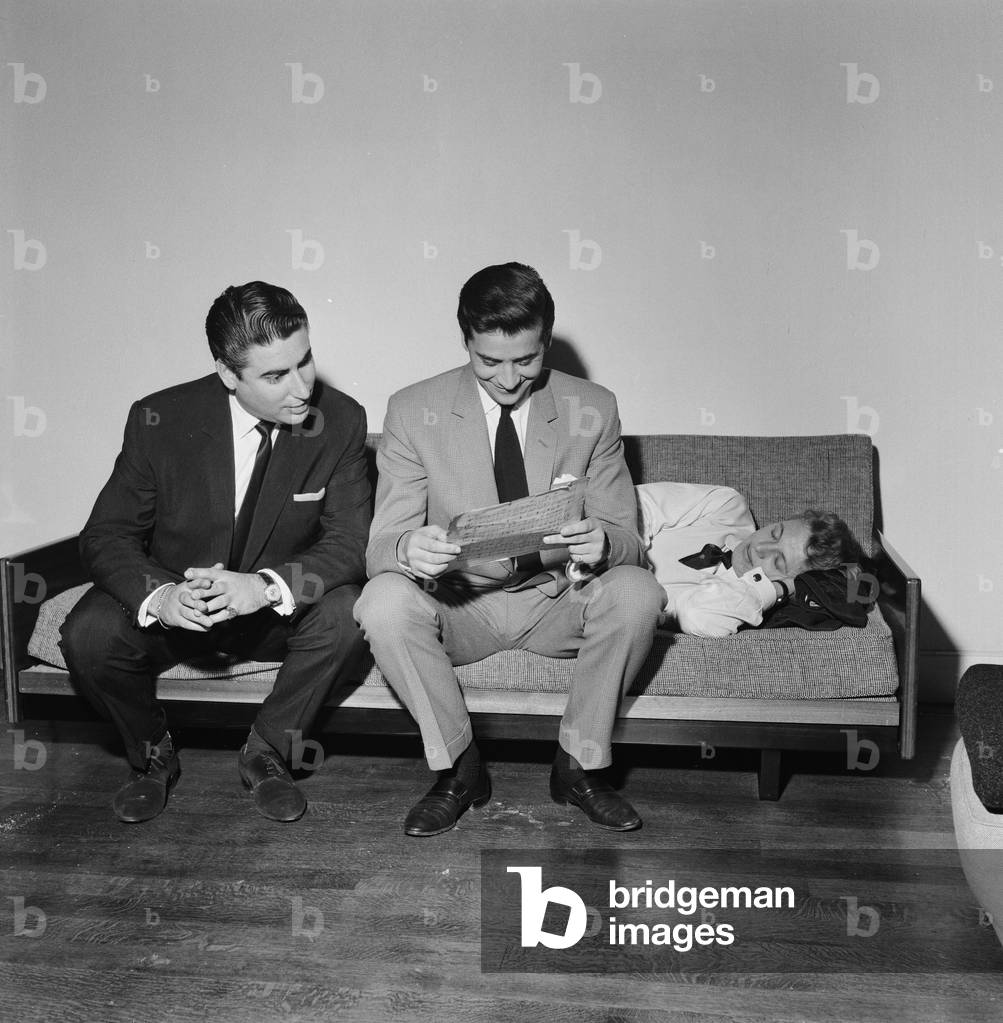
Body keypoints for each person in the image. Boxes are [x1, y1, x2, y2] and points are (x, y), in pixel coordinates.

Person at [354, 262, 664, 837]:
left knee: (639, 592)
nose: (508, 378)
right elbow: (379, 549)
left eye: (526, 360)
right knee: (382, 602)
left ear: (547, 340)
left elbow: (631, 542)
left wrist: (604, 542)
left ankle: (579, 767)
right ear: (465, 341)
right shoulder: (411, 409)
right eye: (488, 361)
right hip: (461, 604)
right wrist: (406, 547)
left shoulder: (592, 407)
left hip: (556, 599)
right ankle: (459, 769)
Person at [60, 282, 371, 824]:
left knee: (347, 614)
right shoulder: (159, 418)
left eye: (305, 362)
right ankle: (152, 755)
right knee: (86, 633)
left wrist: (264, 587)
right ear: (229, 373)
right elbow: (105, 536)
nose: (301, 387)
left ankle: (268, 751)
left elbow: (350, 542)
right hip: (183, 611)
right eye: (275, 376)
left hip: (271, 614)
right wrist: (163, 596)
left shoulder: (340, 420)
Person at [636, 481, 863, 638]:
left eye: (778, 561)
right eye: (775, 532)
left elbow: (695, 616)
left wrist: (777, 589)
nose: (759, 547)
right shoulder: (726, 507)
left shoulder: (734, 602)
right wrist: (628, 556)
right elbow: (639, 505)